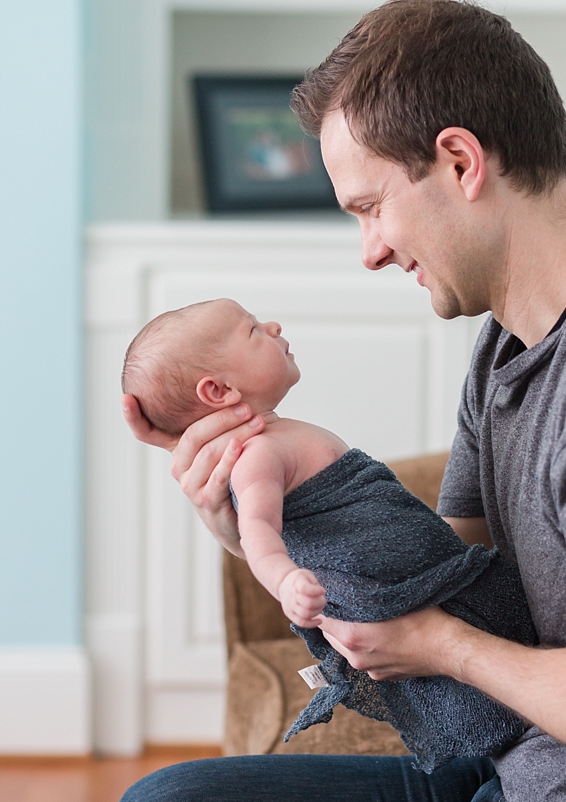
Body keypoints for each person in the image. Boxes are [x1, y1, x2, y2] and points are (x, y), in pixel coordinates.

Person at [114, 0, 566, 802]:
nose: (368, 251)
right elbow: (444, 567)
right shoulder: (510, 339)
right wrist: (244, 520)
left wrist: (436, 644)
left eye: (370, 207)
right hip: (518, 769)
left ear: (458, 160)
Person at [120, 297, 536, 770]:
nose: (272, 325)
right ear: (218, 390)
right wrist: (284, 581)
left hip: (415, 566)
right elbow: (257, 528)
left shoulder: (275, 437)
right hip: (381, 592)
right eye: (253, 330)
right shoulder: (256, 455)